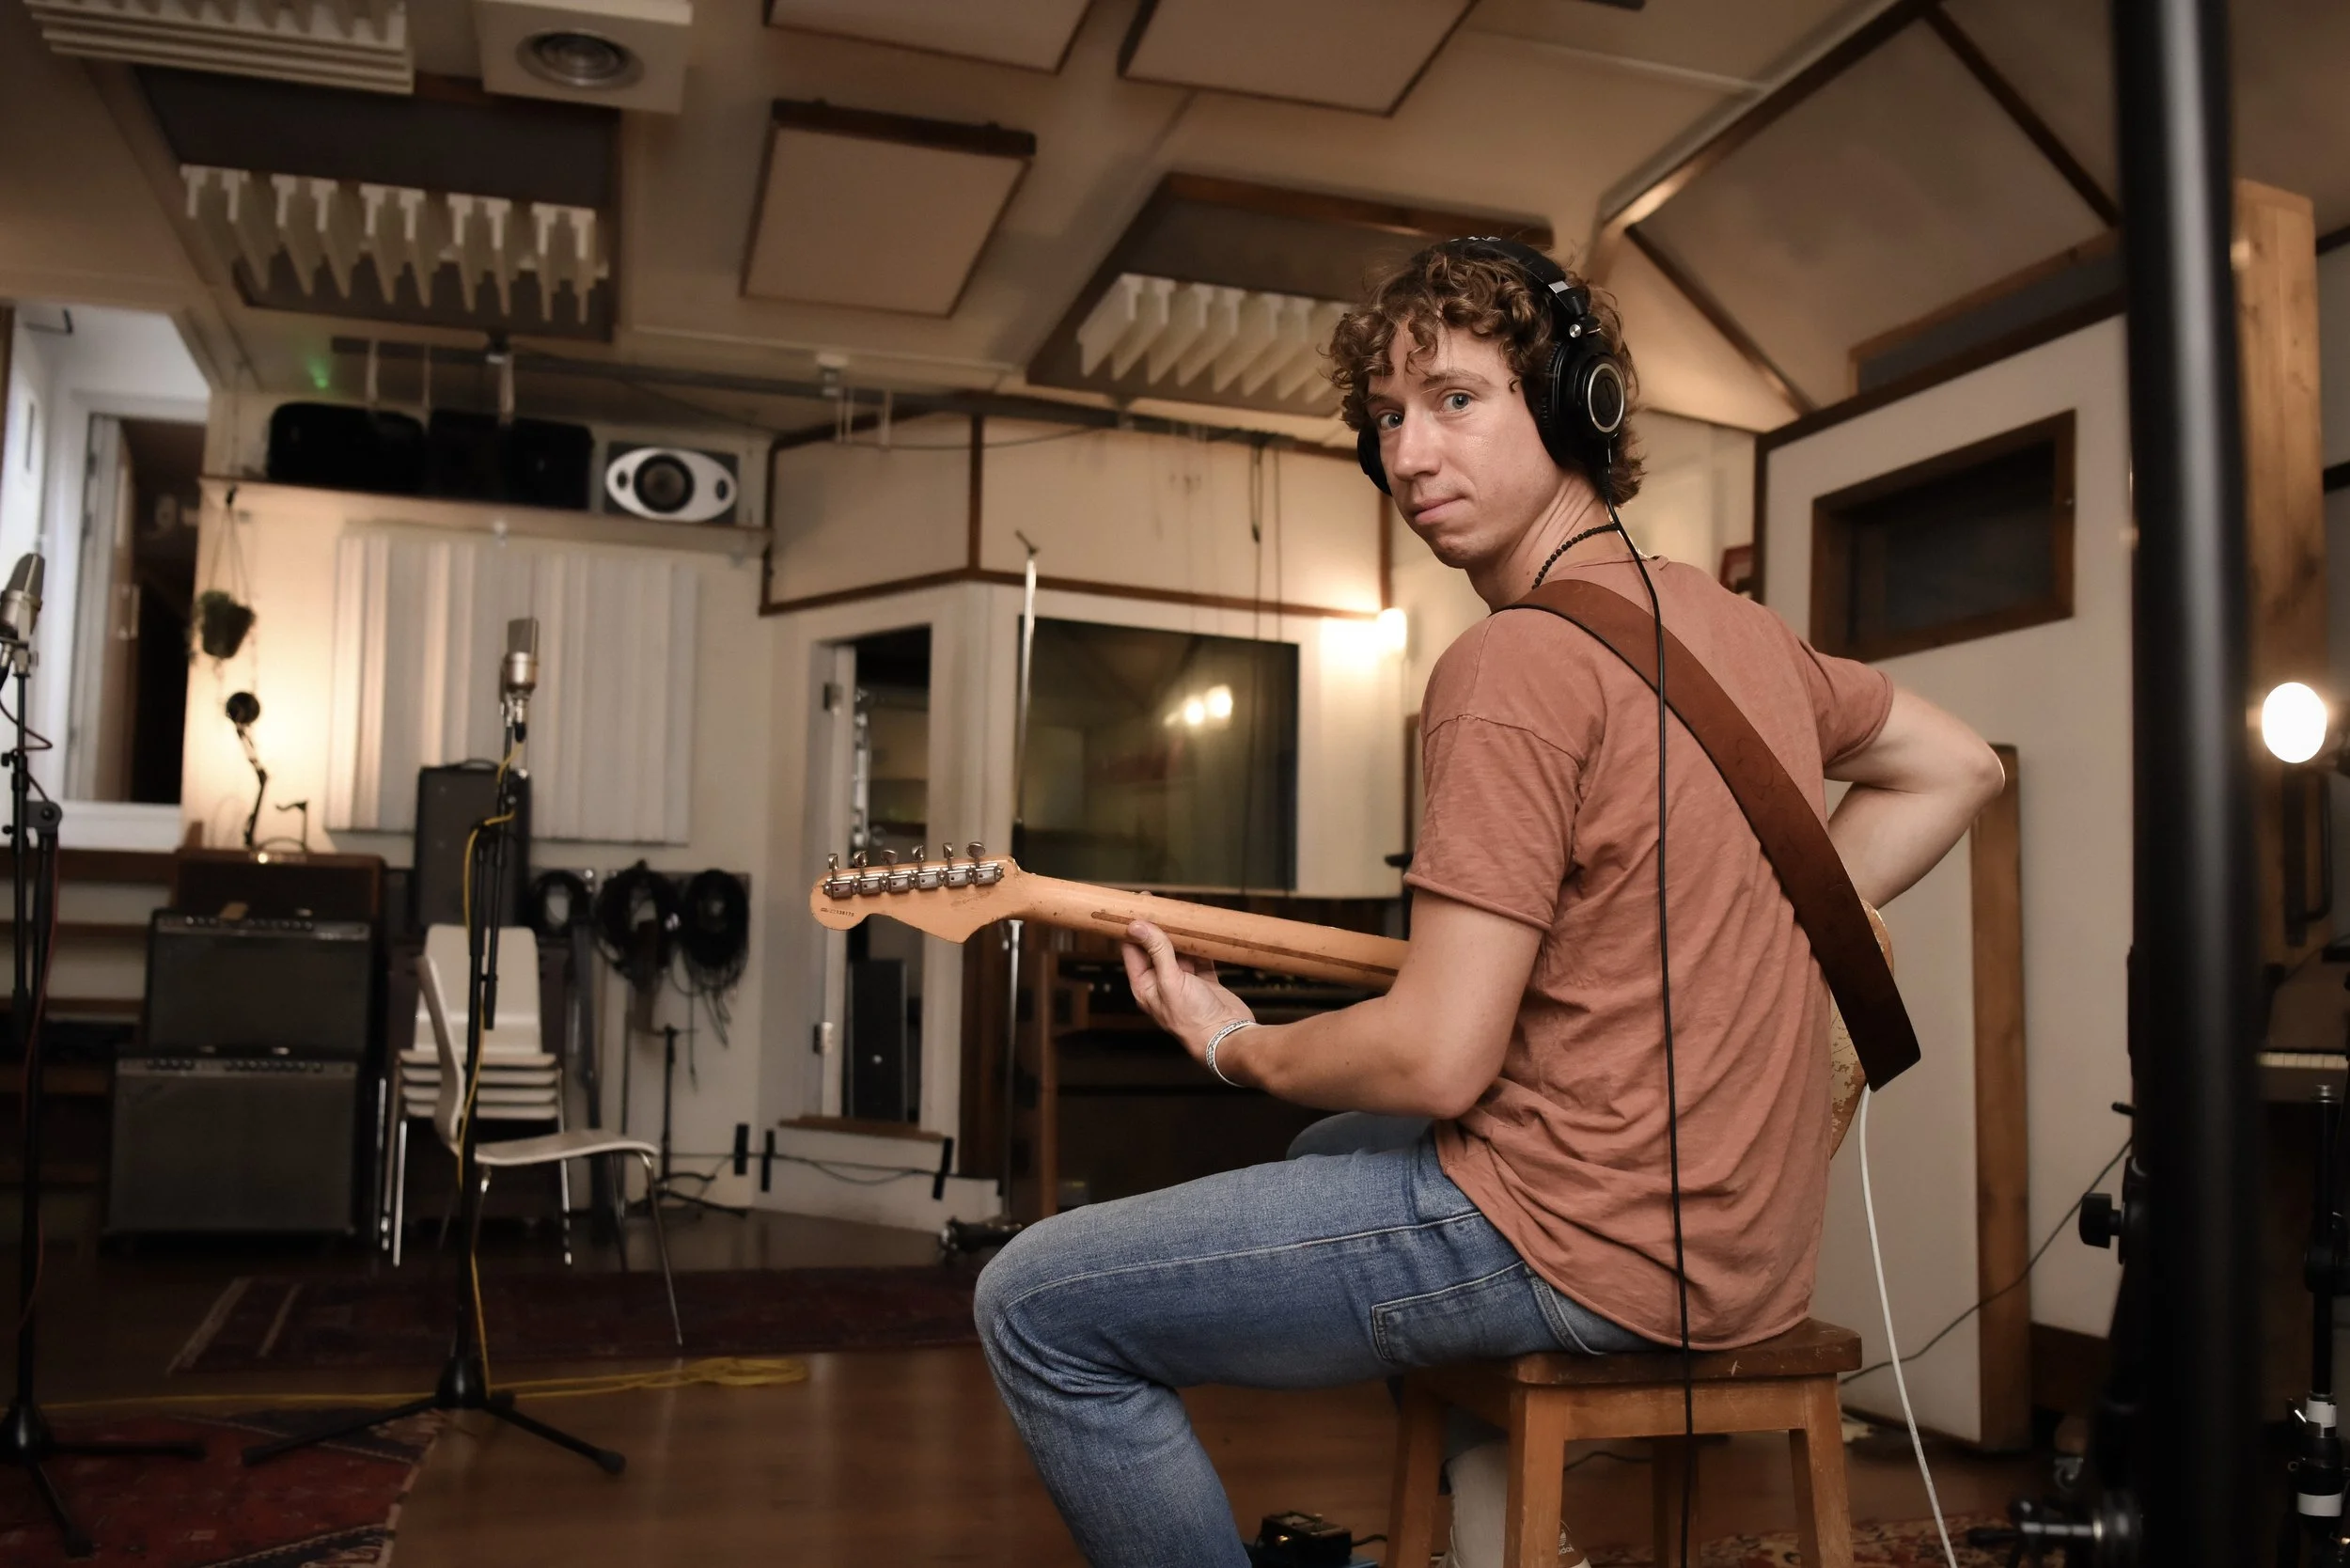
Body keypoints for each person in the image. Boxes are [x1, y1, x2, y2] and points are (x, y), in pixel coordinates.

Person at [973, 240, 2004, 1568]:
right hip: (1750, 1251)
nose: (1408, 456)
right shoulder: (1743, 632)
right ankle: (1491, 1537)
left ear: (1574, 408)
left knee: (1037, 1306)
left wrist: (1235, 1041)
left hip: (1573, 1243)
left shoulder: (1509, 664)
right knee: (1329, 1152)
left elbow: (1436, 1056)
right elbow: (1955, 764)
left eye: (1456, 399)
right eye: (1388, 419)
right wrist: (1718, 918)